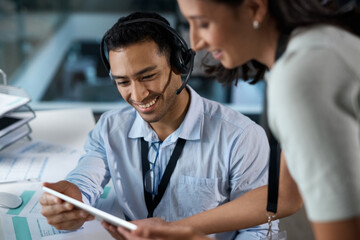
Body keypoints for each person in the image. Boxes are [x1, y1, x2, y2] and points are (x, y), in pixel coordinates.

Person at [123, 0, 360, 239]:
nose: (195, 43)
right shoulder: (312, 46)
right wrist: (175, 229)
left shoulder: (303, 77)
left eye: (203, 24)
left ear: (255, 8)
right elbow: (284, 196)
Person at [39, 12, 277, 240]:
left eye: (147, 76)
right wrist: (70, 198)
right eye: (123, 82)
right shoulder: (111, 127)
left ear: (179, 64)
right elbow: (86, 177)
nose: (138, 94)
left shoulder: (242, 137)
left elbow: (261, 230)